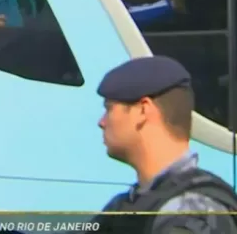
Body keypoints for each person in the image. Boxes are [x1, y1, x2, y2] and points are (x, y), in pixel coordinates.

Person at [93, 55, 237, 234]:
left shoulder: (191, 212)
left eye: (109, 108)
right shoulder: (128, 205)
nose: (102, 122)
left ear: (142, 110)